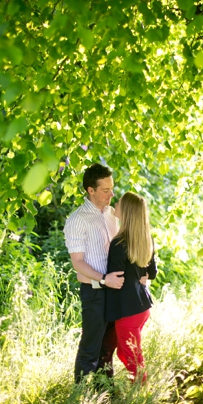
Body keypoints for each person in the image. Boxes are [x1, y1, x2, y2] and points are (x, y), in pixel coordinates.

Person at [64, 163, 125, 384]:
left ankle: (105, 391)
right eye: (105, 190)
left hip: (115, 290)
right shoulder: (77, 220)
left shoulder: (111, 214)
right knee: (91, 347)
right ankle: (79, 398)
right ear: (91, 190)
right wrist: (103, 279)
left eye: (112, 188)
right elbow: (77, 263)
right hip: (95, 291)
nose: (112, 194)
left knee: (109, 347)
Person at [105, 192, 157, 383]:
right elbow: (152, 273)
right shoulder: (145, 239)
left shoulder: (119, 244)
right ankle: (137, 386)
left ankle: (141, 394)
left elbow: (115, 280)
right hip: (142, 306)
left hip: (128, 310)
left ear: (125, 210)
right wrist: (142, 275)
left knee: (131, 355)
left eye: (118, 202)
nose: (115, 203)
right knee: (128, 352)